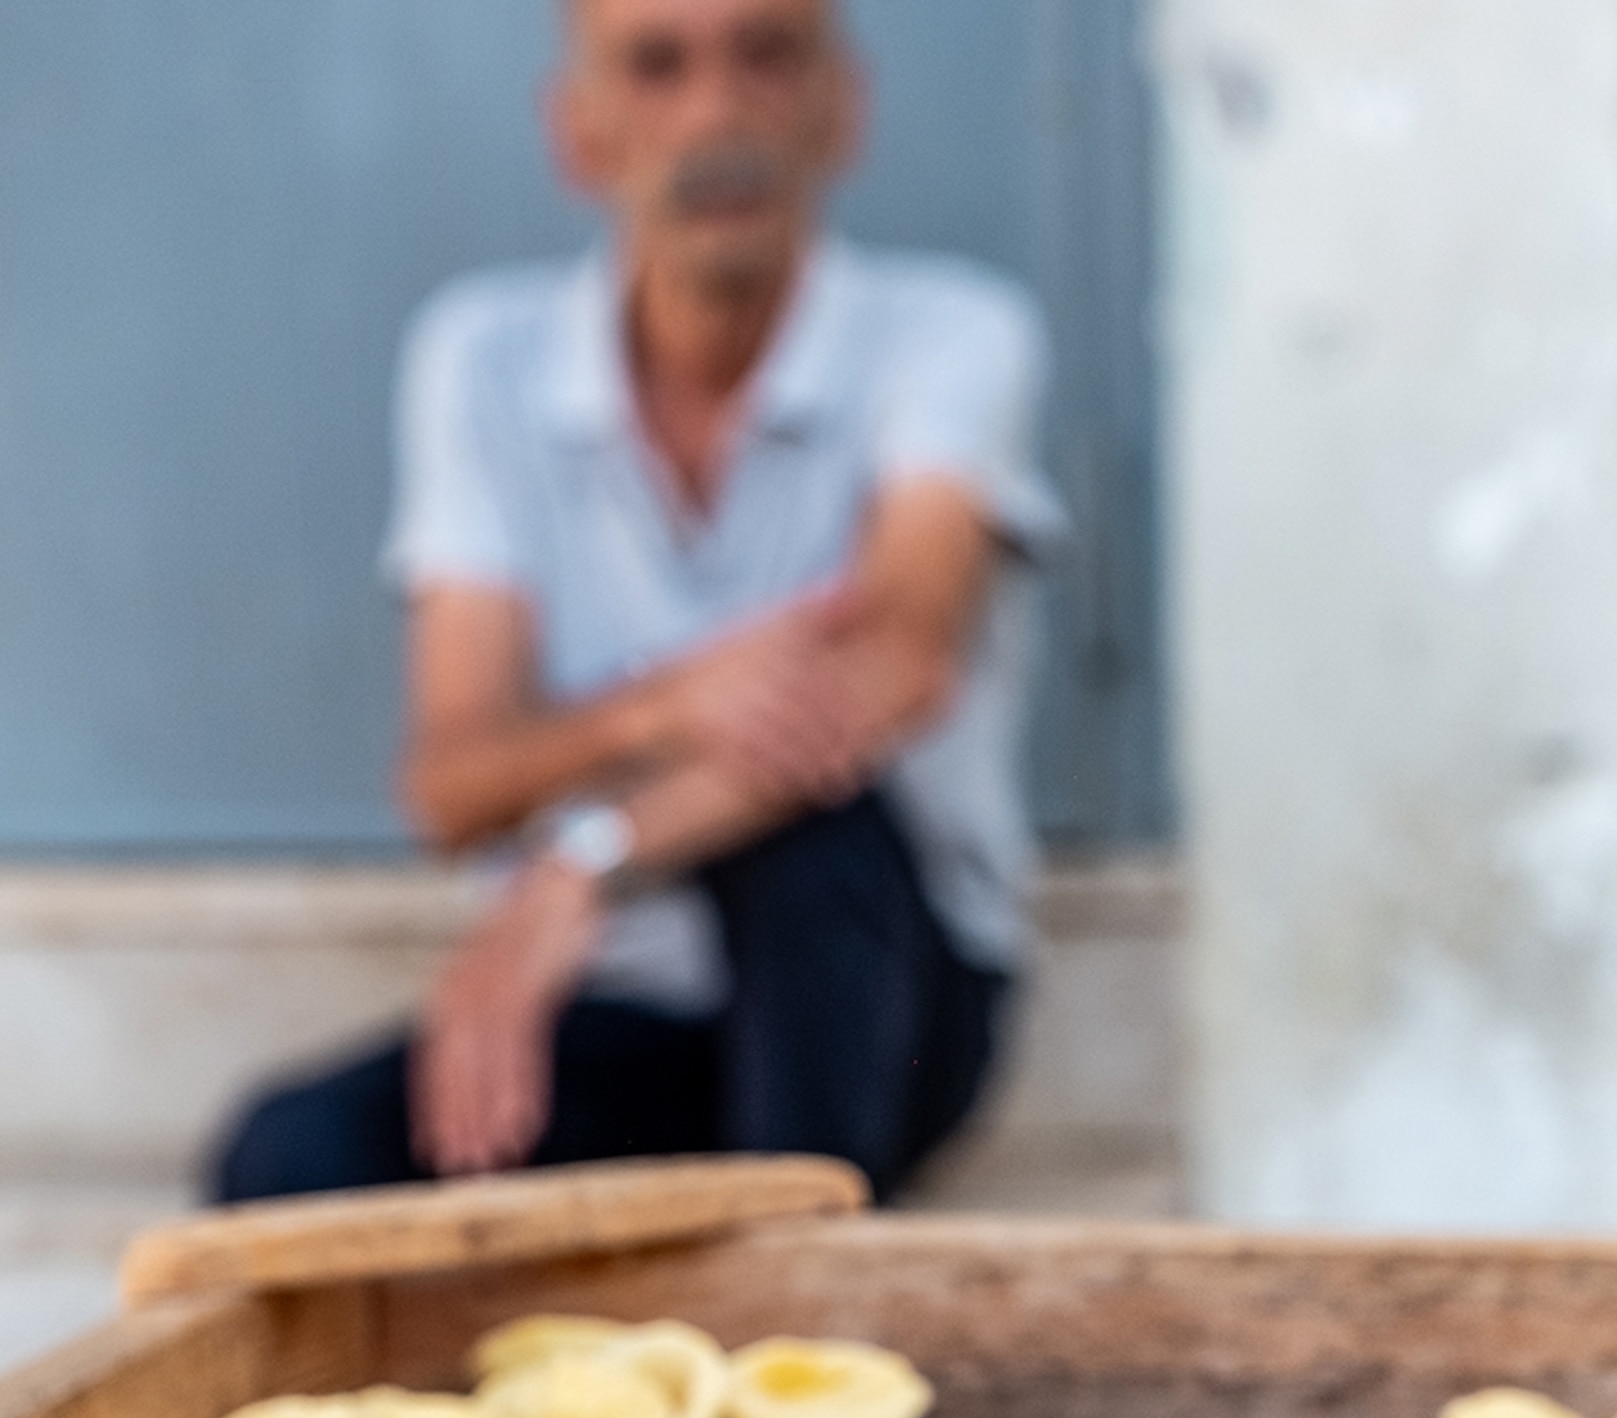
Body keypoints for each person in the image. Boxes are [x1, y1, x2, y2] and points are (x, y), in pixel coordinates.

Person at [212, 0, 1062, 1205]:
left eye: (766, 55)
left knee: (812, 834)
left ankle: (794, 1342)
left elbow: (895, 666)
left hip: (894, 1000)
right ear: (580, 132)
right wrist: (663, 708)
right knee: (290, 1159)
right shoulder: (480, 359)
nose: (717, 113)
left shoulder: (954, 337)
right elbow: (451, 782)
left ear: (841, 104)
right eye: (657, 67)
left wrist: (584, 863)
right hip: (623, 1007)